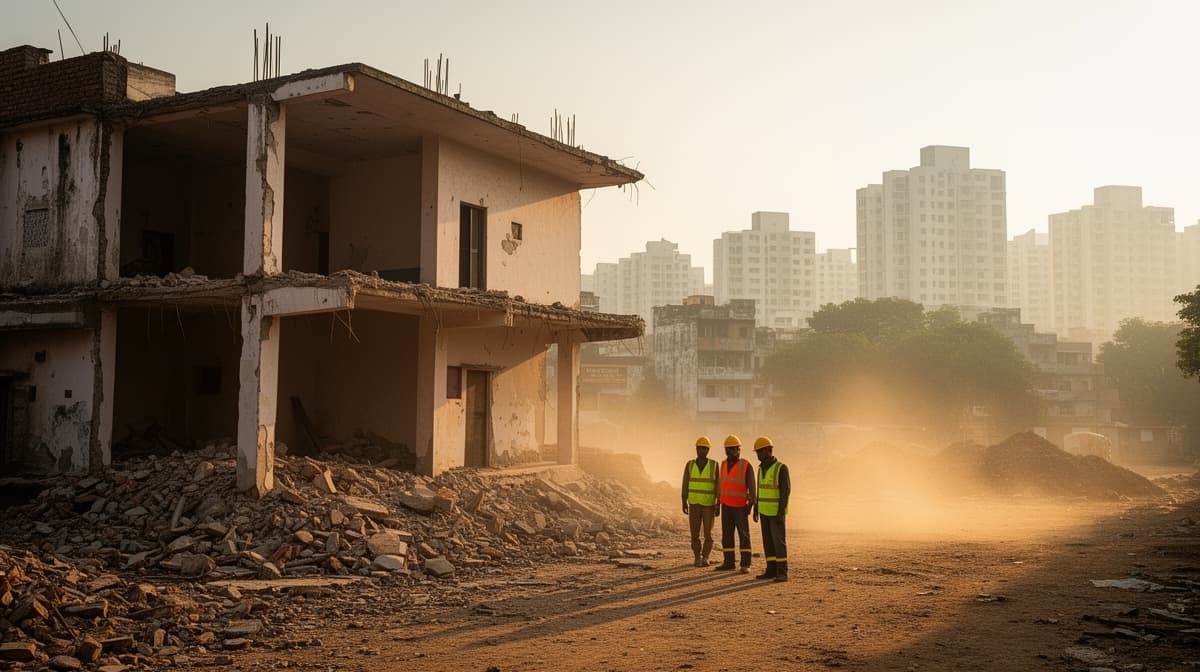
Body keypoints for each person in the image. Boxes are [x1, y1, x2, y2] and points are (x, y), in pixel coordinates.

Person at [714, 434, 755, 573]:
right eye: (727, 449)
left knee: (743, 535)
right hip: (726, 506)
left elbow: (752, 488)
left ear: (738, 450)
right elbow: (721, 486)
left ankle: (745, 564)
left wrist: (750, 505)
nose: (729, 452)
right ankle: (729, 562)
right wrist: (718, 504)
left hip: (740, 507)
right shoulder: (723, 464)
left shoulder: (746, 465)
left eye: (732, 449)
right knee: (727, 536)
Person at [752, 436, 791, 582]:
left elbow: (785, 491)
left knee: (778, 542)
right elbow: (760, 490)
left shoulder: (781, 468)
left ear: (769, 450)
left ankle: (782, 571)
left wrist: (781, 511)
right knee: (767, 542)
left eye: (760, 452)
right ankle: (771, 569)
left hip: (776, 513)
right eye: (757, 452)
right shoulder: (761, 469)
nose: (758, 455)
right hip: (764, 511)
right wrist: (756, 507)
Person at [681, 436, 719, 567]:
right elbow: (685, 483)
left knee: (708, 533)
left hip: (709, 504)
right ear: (696, 449)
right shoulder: (690, 464)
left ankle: (706, 557)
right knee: (694, 533)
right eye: (699, 448)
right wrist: (683, 500)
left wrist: (718, 503)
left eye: (704, 448)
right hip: (694, 504)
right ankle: (697, 557)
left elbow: (718, 485)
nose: (701, 451)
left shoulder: (714, 465)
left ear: (708, 450)